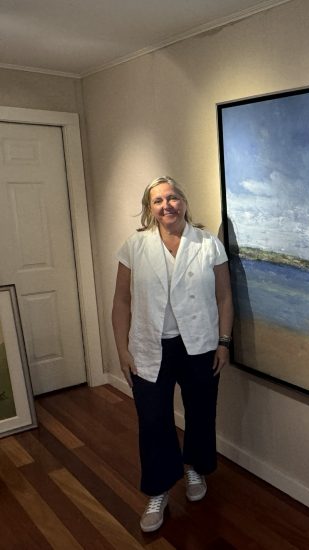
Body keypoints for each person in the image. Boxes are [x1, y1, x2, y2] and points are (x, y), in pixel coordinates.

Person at [111, 176, 233, 533]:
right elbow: (121, 301)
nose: (167, 205)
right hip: (149, 345)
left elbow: (225, 296)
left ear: (184, 202)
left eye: (173, 197)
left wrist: (224, 342)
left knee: (201, 412)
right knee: (153, 420)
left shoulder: (208, 244)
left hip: (199, 345)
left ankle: (195, 468)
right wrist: (121, 349)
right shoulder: (135, 246)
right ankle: (158, 489)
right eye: (158, 200)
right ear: (150, 209)